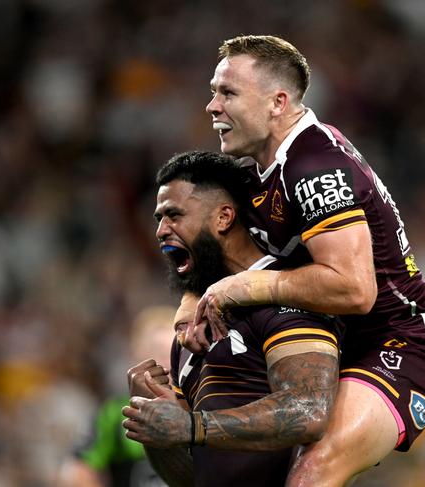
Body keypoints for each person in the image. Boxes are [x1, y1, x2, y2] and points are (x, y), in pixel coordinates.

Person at [189, 35, 425, 486]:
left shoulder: (315, 166)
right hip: (329, 343)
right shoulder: (261, 165)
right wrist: (192, 299)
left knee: (313, 472)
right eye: (214, 91)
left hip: (402, 346)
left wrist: (244, 288)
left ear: (277, 103)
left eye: (227, 93)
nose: (211, 106)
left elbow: (354, 289)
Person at [122, 151, 344, 487]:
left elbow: (309, 411)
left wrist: (194, 426)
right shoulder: (189, 332)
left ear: (224, 217)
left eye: (174, 215)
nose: (160, 231)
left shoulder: (285, 294)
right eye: (158, 219)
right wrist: (155, 427)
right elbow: (192, 477)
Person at [58, 305, 176, 487]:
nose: (167, 362)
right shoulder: (115, 413)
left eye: (174, 352)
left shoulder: (202, 407)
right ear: (137, 353)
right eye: (158, 351)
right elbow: (78, 470)